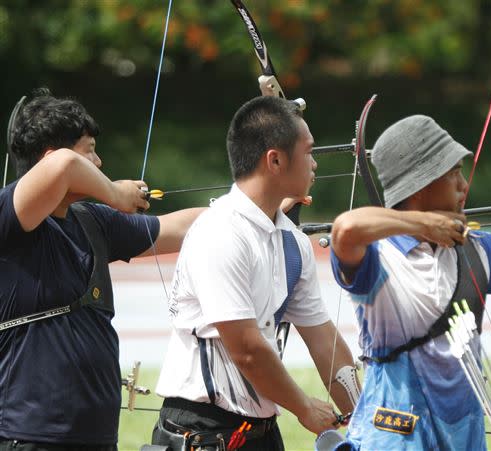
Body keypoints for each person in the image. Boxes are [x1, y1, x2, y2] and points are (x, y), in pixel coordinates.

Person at [328, 114, 491, 450]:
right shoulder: (376, 258)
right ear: (420, 186)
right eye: (453, 175)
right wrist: (421, 225)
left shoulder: (476, 248)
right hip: (396, 437)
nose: (464, 186)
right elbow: (345, 228)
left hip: (463, 434)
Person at [151, 95, 359, 451]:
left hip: (259, 431)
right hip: (202, 432)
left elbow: (323, 338)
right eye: (309, 151)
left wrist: (366, 417)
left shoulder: (293, 243)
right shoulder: (219, 232)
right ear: (275, 160)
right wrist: (304, 407)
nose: (314, 164)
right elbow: (246, 348)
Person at [0, 88, 203, 450]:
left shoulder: (92, 221)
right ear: (50, 155)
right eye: (89, 150)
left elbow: (181, 229)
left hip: (96, 437)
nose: (99, 161)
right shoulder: (10, 218)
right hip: (28, 436)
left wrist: (255, 209)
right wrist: (115, 192)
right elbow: (63, 165)